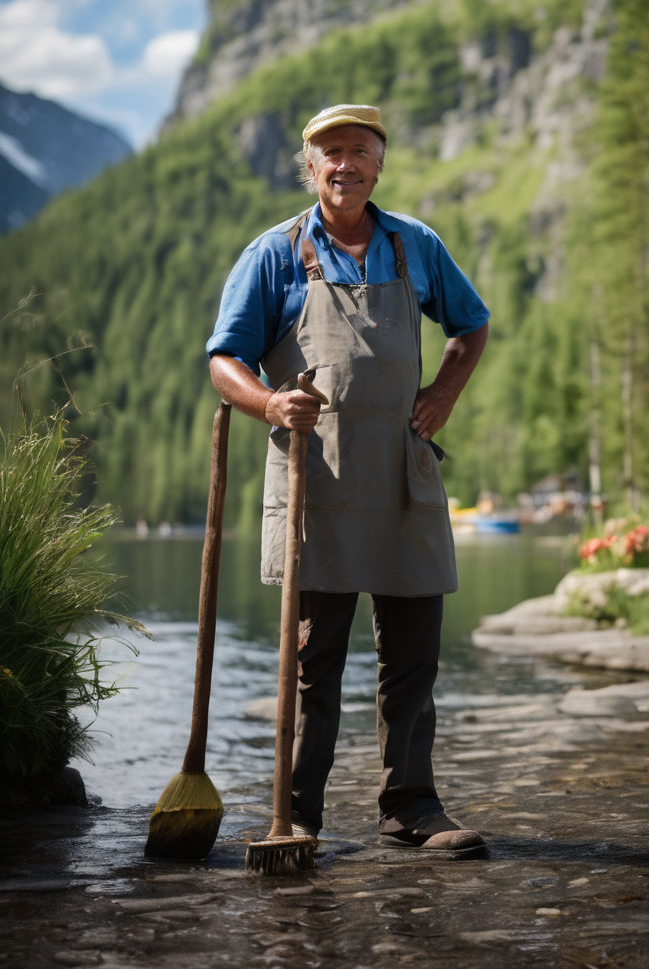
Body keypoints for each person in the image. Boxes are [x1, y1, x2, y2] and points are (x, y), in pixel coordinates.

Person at [207, 104, 490, 855]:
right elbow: (224, 360)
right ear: (311, 168)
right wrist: (271, 402)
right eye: (331, 153)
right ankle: (297, 814)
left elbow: (471, 325)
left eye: (360, 150)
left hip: (402, 471)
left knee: (413, 658)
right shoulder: (274, 254)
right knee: (313, 664)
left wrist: (442, 395)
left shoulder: (415, 245)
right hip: (317, 480)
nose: (345, 164)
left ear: (378, 164)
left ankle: (411, 808)